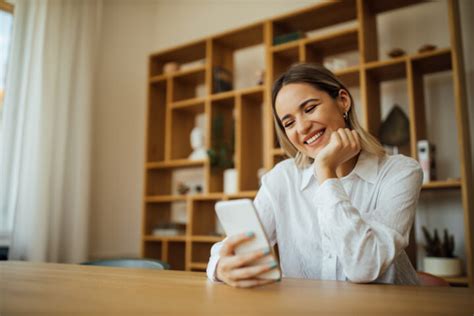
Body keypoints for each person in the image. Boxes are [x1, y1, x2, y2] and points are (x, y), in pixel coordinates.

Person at [206, 63, 423, 288]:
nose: (301, 128)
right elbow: (231, 248)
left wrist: (325, 171)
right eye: (289, 123)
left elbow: (365, 266)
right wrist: (221, 267)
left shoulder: (401, 172)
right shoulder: (282, 178)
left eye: (309, 109)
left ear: (343, 101)